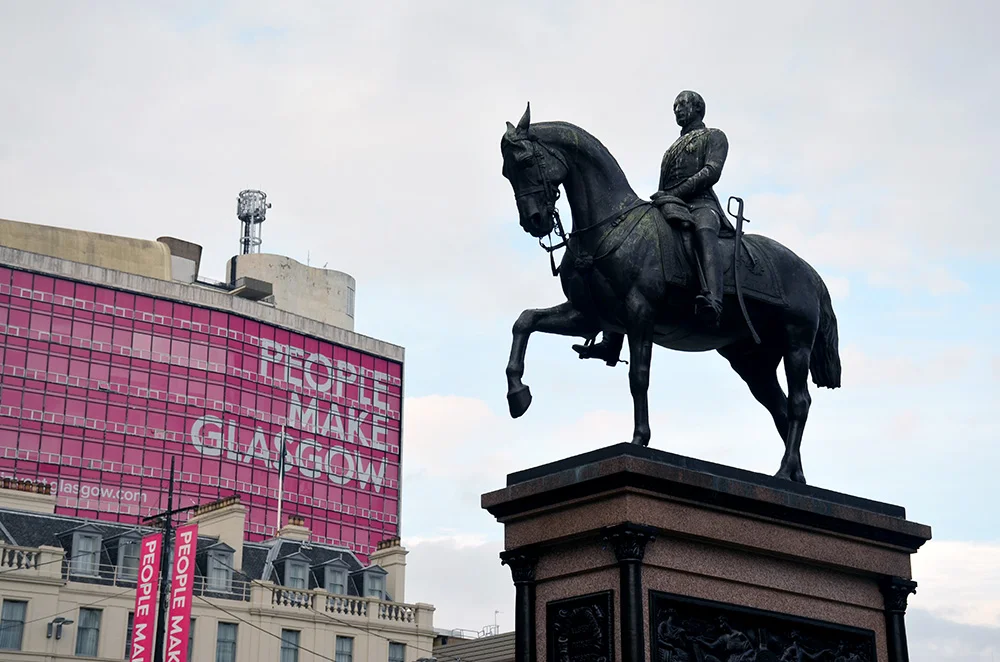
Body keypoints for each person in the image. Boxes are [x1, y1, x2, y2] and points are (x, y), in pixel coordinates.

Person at [572, 90, 734, 366]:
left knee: (704, 231)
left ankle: (714, 299)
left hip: (702, 204)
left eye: (682, 105)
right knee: (629, 259)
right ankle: (611, 343)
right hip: (670, 204)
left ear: (698, 108)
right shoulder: (670, 151)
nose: (677, 110)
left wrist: (679, 191)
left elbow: (711, 171)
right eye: (674, 107)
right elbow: (662, 186)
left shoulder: (714, 136)